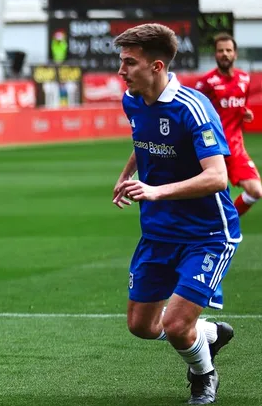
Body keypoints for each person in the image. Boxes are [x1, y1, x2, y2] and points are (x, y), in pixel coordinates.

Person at [112, 24, 239, 405]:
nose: (121, 71)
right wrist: (125, 175)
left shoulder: (193, 108)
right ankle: (210, 334)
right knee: (141, 326)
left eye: (129, 63)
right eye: (120, 61)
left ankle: (204, 376)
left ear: (156, 66)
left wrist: (155, 191)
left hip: (207, 234)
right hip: (158, 231)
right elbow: (144, 140)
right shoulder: (132, 100)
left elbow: (218, 177)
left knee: (175, 325)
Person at [194, 33, 262, 217]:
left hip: (236, 147)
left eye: (228, 50)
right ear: (215, 55)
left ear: (235, 54)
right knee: (204, 199)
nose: (225, 54)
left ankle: (227, 220)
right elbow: (195, 113)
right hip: (213, 147)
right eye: (220, 51)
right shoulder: (206, 83)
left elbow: (240, 104)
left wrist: (244, 111)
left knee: (256, 190)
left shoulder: (245, 79)